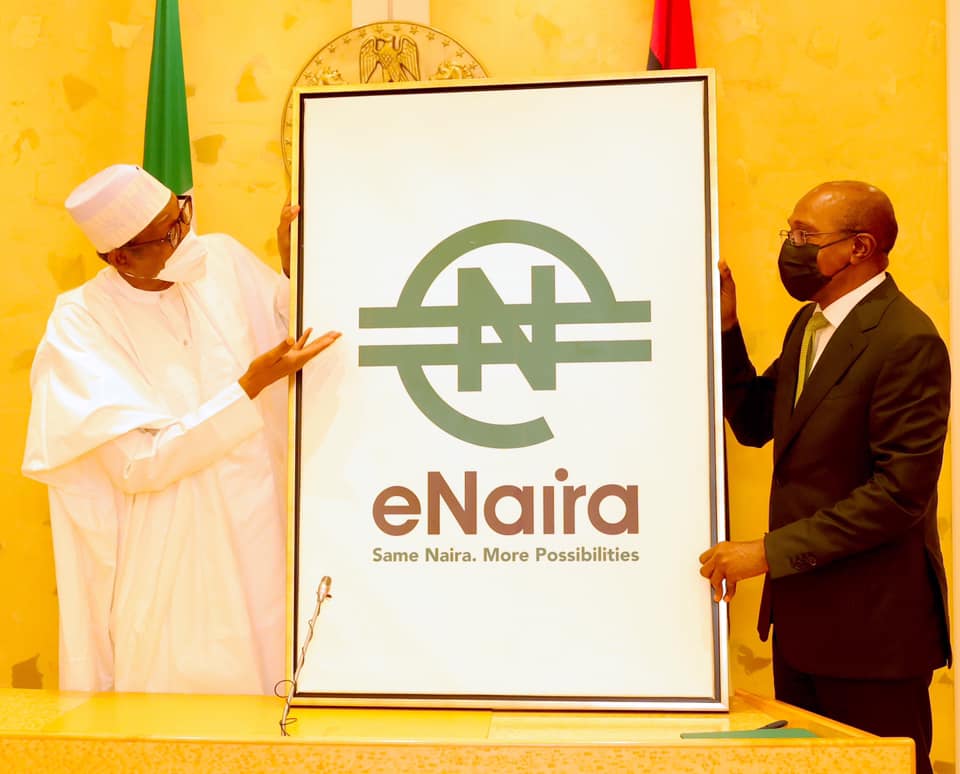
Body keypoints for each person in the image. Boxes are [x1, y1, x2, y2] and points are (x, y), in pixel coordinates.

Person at [22, 164, 340, 695]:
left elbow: (293, 328)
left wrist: (293, 266)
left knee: (283, 676)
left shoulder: (223, 259)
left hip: (266, 520)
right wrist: (246, 388)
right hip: (178, 552)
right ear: (121, 257)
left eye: (181, 214)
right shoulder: (79, 323)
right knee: (197, 701)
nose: (186, 235)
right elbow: (137, 465)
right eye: (168, 233)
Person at [699, 181, 950, 774]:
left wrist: (766, 552)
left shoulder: (907, 339)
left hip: (874, 636)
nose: (790, 247)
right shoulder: (809, 326)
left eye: (805, 236)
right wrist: (727, 328)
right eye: (789, 232)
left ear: (860, 247)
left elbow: (898, 496)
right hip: (803, 627)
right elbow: (755, 421)